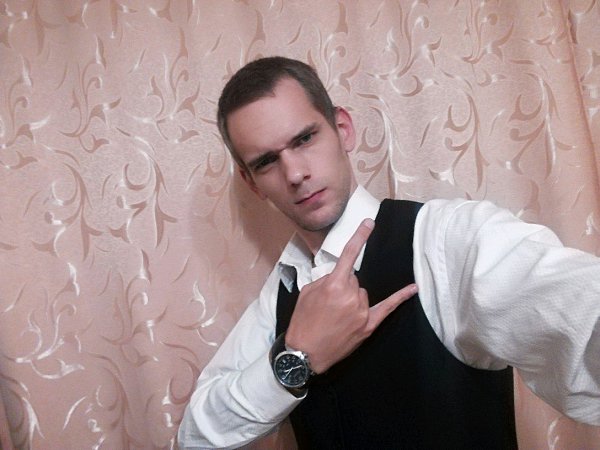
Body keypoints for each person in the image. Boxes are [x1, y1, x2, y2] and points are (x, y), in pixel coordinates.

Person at [178, 56, 600, 449]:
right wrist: (295, 358)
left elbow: (571, 303)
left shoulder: (443, 238)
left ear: (343, 129)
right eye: (267, 162)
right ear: (251, 182)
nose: (295, 173)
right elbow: (195, 438)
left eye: (304, 138)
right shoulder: (280, 290)